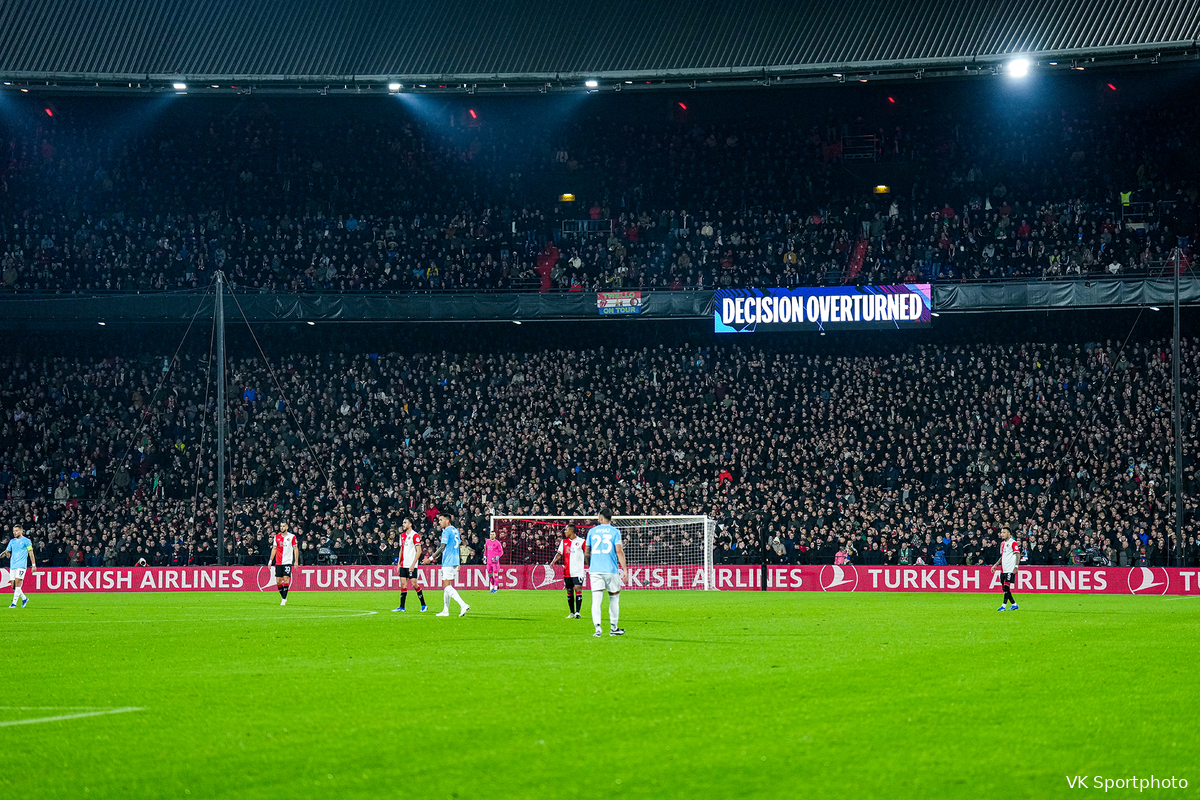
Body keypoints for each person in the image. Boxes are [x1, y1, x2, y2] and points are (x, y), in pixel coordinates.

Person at [584, 510, 627, 637]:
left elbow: (587, 552)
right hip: (611, 570)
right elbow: (619, 551)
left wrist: (590, 565)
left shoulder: (592, 531)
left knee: (596, 600)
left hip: (595, 570)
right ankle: (613, 628)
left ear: (601, 518)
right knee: (614, 599)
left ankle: (597, 628)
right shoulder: (615, 532)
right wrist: (625, 570)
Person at [428, 513, 469, 617]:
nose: (439, 522)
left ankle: (463, 604)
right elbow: (458, 546)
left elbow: (442, 547)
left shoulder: (446, 531)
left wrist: (431, 558)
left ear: (447, 521)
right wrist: (459, 561)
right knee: (447, 586)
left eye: (441, 520)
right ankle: (445, 611)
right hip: (455, 561)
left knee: (446, 587)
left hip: (448, 561)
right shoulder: (455, 530)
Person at [547, 523, 586, 619]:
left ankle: (578, 612)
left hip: (578, 571)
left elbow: (588, 553)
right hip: (567, 571)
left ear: (571, 531)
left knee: (578, 588)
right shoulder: (563, 542)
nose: (565, 531)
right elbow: (559, 554)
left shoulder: (582, 542)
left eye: (566, 530)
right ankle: (572, 612)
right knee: (569, 590)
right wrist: (553, 562)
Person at [393, 517, 427, 612]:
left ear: (410, 524)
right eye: (403, 522)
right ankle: (402, 607)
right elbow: (401, 550)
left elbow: (419, 551)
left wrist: (413, 564)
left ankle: (423, 605)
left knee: (414, 584)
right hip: (403, 564)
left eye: (405, 522)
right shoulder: (402, 536)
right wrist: (399, 564)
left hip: (411, 565)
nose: (403, 524)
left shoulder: (415, 535)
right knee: (403, 585)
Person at [3, 525, 35, 608]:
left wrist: (33, 565)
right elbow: (7, 551)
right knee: (13, 586)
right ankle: (24, 598)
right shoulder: (12, 541)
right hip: (13, 565)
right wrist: (4, 554)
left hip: (21, 565)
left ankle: (14, 603)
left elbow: (31, 553)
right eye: (14, 531)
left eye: (16, 531)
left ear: (21, 531)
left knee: (18, 583)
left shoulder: (26, 541)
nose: (15, 532)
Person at [271, 521, 300, 606]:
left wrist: (296, 561)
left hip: (287, 562)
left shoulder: (292, 537)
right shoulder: (276, 537)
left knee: (286, 578)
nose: (282, 528)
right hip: (278, 562)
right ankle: (283, 597)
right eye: (281, 526)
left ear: (287, 527)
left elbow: (295, 549)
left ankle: (283, 599)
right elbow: (274, 549)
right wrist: (270, 560)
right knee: (278, 581)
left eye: (283, 526)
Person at [991, 527, 1020, 611]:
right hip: (1003, 569)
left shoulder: (1013, 543)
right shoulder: (1002, 544)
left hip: (1010, 569)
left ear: (1009, 534)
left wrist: (1016, 566)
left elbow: (1018, 555)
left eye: (1004, 532)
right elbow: (1002, 557)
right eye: (1001, 532)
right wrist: (995, 565)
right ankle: (1014, 604)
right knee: (1004, 588)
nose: (1002, 534)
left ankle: (1003, 606)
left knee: (1007, 587)